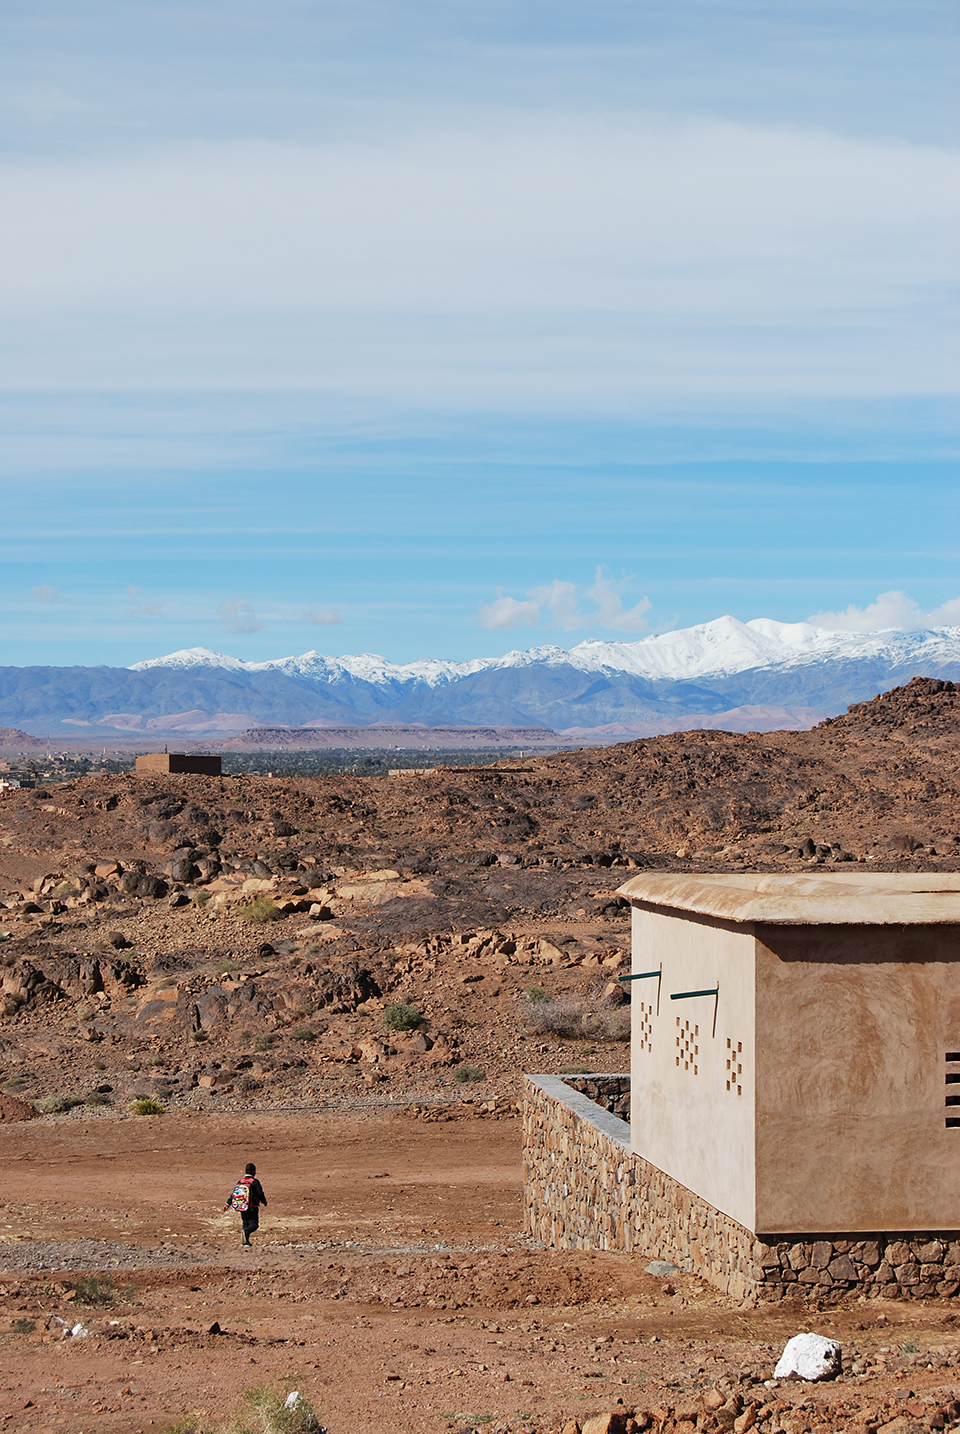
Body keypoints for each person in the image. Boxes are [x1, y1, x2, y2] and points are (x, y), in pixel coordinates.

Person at [224, 1162, 267, 1246]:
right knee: (254, 1224)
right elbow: (260, 1193)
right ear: (254, 1171)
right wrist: (264, 1201)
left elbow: (234, 1193)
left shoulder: (241, 1181)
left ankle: (245, 1241)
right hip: (252, 1206)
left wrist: (227, 1204)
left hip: (242, 1206)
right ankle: (246, 1232)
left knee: (245, 1223)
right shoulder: (255, 1182)